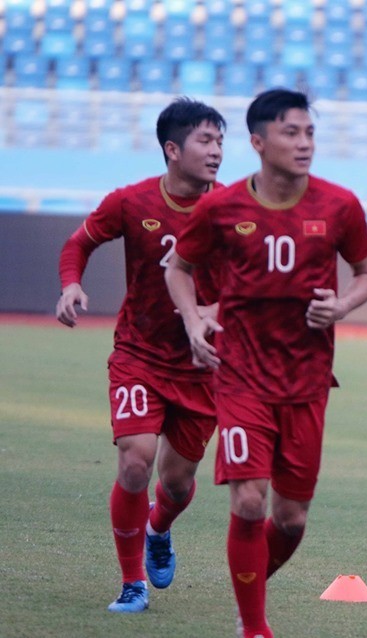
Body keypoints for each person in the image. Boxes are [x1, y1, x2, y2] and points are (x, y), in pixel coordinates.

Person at [165, 88, 367, 638]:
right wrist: (192, 320)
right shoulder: (221, 208)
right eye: (291, 133)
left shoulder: (340, 205)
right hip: (240, 377)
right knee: (250, 500)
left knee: (291, 518)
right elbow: (178, 268)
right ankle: (254, 627)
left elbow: (366, 276)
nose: (304, 143)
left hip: (308, 381)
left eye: (309, 133)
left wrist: (341, 306)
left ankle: (249, 587)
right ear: (258, 142)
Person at [55, 98, 226, 613]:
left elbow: (255, 285)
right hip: (139, 354)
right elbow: (77, 244)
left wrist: (212, 313)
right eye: (205, 140)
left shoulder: (235, 211)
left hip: (202, 366)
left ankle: (158, 528)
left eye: (220, 141)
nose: (216, 151)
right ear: (172, 149)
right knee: (135, 461)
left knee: (176, 482)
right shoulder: (131, 202)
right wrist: (71, 284)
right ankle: (132, 584)